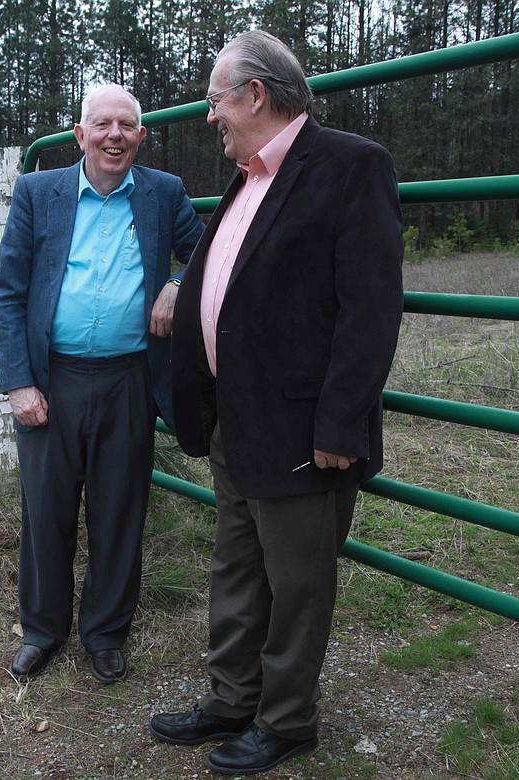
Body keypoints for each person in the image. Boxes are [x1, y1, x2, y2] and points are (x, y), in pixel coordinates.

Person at [149, 31, 404, 775]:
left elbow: (370, 311)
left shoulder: (352, 166)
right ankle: (231, 699)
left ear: (254, 95)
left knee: (297, 585)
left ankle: (287, 721)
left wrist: (340, 424)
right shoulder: (247, 177)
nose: (208, 116)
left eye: (214, 99)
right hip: (236, 419)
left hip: (303, 429)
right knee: (235, 569)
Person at [0, 84, 204, 686]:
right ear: (80, 136)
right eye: (102, 125)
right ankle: (42, 632)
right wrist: (19, 383)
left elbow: (214, 252)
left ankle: (106, 635)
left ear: (141, 136)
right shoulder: (40, 193)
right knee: (45, 513)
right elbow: (7, 291)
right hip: (50, 382)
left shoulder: (162, 194)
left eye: (127, 126)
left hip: (128, 380)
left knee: (119, 512)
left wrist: (180, 286)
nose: (115, 135)